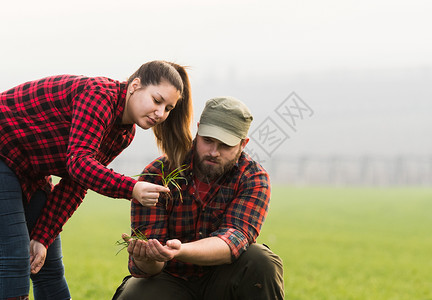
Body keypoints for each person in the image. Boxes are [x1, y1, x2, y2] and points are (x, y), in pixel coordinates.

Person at [0, 60, 193, 300]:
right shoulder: (99, 97)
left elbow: (77, 183)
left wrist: (42, 236)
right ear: (135, 85)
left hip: (30, 171)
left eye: (168, 108)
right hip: (4, 151)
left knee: (45, 260)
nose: (160, 113)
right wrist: (131, 187)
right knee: (16, 257)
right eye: (157, 100)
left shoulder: (124, 133)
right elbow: (79, 162)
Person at [112, 97, 284, 300]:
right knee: (134, 294)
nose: (213, 152)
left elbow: (233, 239)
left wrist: (178, 250)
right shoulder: (157, 174)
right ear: (199, 130)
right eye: (208, 140)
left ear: (243, 144)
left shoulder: (252, 178)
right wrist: (147, 257)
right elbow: (150, 269)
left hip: (223, 278)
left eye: (225, 146)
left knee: (260, 260)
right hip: (171, 278)